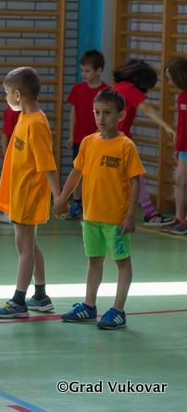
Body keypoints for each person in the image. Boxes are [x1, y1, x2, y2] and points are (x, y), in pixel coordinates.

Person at [52, 88, 143, 329]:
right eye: (97, 112)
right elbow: (76, 172)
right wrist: (62, 198)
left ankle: (118, 310)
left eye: (107, 113)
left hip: (116, 219)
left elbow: (135, 181)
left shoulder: (126, 146)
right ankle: (89, 306)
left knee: (122, 263)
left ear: (121, 115)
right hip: (91, 216)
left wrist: (131, 215)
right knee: (94, 261)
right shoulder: (88, 142)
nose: (101, 118)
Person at [0, 67, 61, 319]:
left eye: (7, 93)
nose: (6, 97)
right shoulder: (25, 117)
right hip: (19, 192)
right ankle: (40, 296)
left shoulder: (37, 123)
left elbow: (48, 164)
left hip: (29, 194)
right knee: (30, 244)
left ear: (18, 95)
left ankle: (19, 301)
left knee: (24, 247)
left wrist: (59, 197)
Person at [112, 59, 176, 226]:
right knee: (133, 177)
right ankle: (150, 214)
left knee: (126, 177)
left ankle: (148, 213)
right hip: (118, 141)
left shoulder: (118, 87)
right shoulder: (128, 89)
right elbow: (146, 108)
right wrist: (166, 126)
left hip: (113, 139)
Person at [64, 50, 109, 219]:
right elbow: (73, 112)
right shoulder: (77, 89)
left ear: (98, 71)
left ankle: (94, 205)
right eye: (82, 70)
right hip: (79, 139)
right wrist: (71, 135)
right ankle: (77, 204)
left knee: (96, 173)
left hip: (99, 140)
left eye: (87, 71)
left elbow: (109, 117)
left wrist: (98, 134)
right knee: (77, 171)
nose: (83, 74)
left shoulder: (106, 91)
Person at [164, 57, 187, 234]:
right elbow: (181, 125)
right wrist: (177, 146)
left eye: (171, 79)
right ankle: (178, 218)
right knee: (180, 181)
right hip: (184, 148)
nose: (170, 83)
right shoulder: (181, 97)